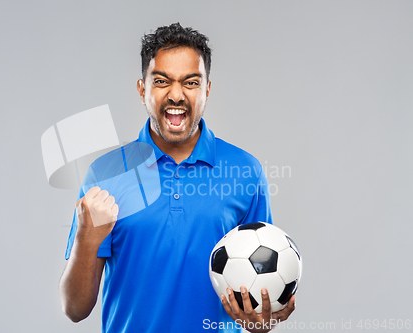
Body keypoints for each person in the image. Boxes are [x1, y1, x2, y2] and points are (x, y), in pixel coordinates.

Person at [59, 23, 295, 333]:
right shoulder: (105, 175)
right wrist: (86, 238)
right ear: (142, 89)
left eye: (191, 82)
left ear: (207, 89)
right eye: (161, 81)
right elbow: (75, 309)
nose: (176, 95)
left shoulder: (245, 171)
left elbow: (259, 286)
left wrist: (262, 322)